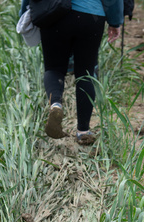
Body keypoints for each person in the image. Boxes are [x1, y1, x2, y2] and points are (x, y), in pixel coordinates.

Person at [20, 0, 124, 144]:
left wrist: (25, 10)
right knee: (86, 73)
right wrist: (114, 21)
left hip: (55, 13)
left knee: (54, 68)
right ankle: (83, 131)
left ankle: (56, 105)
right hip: (91, 15)